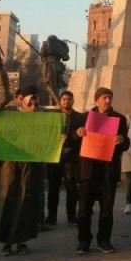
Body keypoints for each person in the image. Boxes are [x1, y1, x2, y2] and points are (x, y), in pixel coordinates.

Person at [0, 87, 46, 256]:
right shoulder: (10, 119)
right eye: (30, 104)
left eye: (35, 104)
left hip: (30, 168)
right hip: (11, 167)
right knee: (8, 202)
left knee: (26, 204)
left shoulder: (42, 123)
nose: (33, 107)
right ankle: (7, 242)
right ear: (23, 104)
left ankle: (21, 241)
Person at [74, 87, 129, 255]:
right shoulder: (84, 118)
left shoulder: (119, 119)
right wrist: (78, 133)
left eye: (110, 98)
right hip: (88, 172)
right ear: (96, 100)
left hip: (108, 172)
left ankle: (104, 240)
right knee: (84, 209)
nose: (108, 101)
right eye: (105, 97)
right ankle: (84, 241)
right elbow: (71, 140)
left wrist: (122, 139)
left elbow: (126, 144)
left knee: (107, 209)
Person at [46, 90, 79, 226]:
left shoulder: (79, 117)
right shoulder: (52, 116)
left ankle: (71, 216)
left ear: (73, 101)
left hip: (71, 157)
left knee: (71, 188)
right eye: (64, 99)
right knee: (53, 188)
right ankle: (51, 217)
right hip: (55, 156)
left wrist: (71, 139)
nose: (67, 101)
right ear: (60, 101)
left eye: (69, 99)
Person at [121, 114, 131, 215]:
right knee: (129, 182)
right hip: (129, 155)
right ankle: (128, 203)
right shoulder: (127, 120)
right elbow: (124, 137)